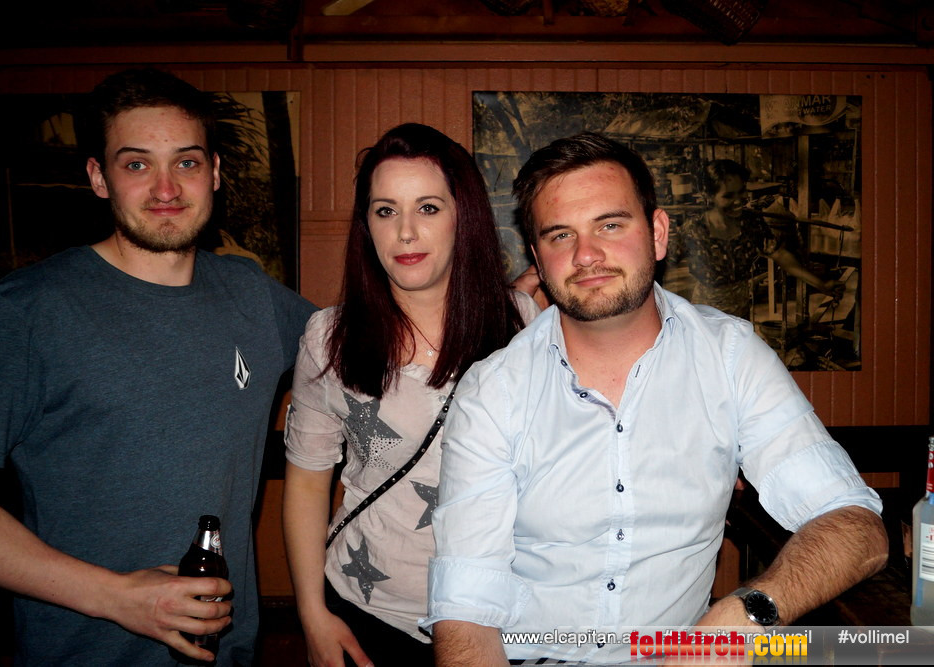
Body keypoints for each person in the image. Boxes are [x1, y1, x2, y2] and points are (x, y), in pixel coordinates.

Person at [422, 133, 887, 665]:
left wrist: (745, 614)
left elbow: (855, 523)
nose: (586, 254)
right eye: (560, 235)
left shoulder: (729, 357)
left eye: (610, 225)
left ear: (658, 233)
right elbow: (466, 606)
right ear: (538, 259)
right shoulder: (492, 390)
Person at [0, 68, 316, 665]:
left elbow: (376, 342)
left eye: (186, 162)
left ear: (215, 172)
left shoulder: (252, 295)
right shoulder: (28, 310)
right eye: (137, 164)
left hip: (226, 653)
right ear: (98, 177)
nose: (166, 188)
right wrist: (117, 598)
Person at [282, 123, 538, 667]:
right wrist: (311, 614)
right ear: (366, 226)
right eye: (385, 211)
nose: (405, 232)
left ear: (463, 217)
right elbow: (306, 482)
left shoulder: (521, 324)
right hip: (365, 610)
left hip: (493, 616)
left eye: (427, 208)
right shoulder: (329, 338)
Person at [667, 158, 844, 318]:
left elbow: (780, 255)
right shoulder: (694, 229)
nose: (739, 201)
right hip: (705, 318)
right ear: (709, 196)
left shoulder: (750, 222)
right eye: (728, 196)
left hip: (741, 315)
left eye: (741, 192)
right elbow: (662, 265)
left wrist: (820, 284)